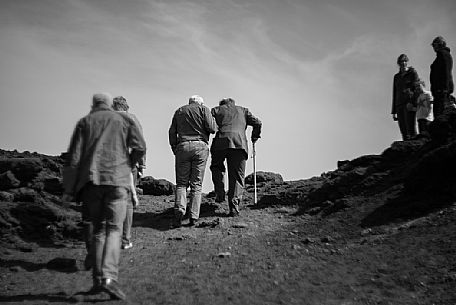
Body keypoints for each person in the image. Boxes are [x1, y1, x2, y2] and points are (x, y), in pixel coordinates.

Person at [62, 93, 146, 300]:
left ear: (93, 105)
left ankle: (98, 279)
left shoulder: (85, 122)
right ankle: (109, 277)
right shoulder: (123, 120)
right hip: (117, 181)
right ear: (110, 105)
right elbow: (140, 146)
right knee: (114, 229)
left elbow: (73, 158)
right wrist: (130, 163)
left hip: (91, 182)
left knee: (99, 230)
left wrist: (68, 189)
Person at [168, 95, 217, 227]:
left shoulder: (179, 111)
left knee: (181, 183)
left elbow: (172, 132)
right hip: (200, 146)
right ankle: (194, 216)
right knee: (197, 184)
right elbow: (212, 128)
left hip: (183, 146)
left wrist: (174, 147)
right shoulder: (203, 109)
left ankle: (180, 209)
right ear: (200, 103)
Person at [210, 97, 262, 216]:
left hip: (220, 143)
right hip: (239, 144)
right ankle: (234, 207)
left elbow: (208, 123)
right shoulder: (243, 111)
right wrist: (254, 136)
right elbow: (258, 122)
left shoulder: (216, 110)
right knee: (237, 176)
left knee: (216, 167)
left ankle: (220, 192)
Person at [112, 96, 145, 250]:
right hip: (129, 163)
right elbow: (140, 143)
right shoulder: (133, 119)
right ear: (126, 107)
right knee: (128, 202)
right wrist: (141, 165)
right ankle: (125, 239)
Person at [392, 54, 419, 140]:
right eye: (401, 62)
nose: (403, 63)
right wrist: (394, 111)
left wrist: (413, 103)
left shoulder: (412, 73)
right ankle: (406, 149)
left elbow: (417, 89)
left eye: (405, 61)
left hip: (409, 103)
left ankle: (415, 146)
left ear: (407, 62)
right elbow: (395, 92)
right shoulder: (396, 77)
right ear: (398, 64)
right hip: (399, 104)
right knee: (403, 130)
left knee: (411, 128)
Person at [430, 36, 454, 118]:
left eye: (434, 45)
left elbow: (446, 73)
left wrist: (444, 90)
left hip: (442, 92)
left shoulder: (443, 55)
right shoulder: (442, 55)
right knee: (439, 116)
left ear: (439, 44)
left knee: (440, 117)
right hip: (440, 92)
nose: (433, 47)